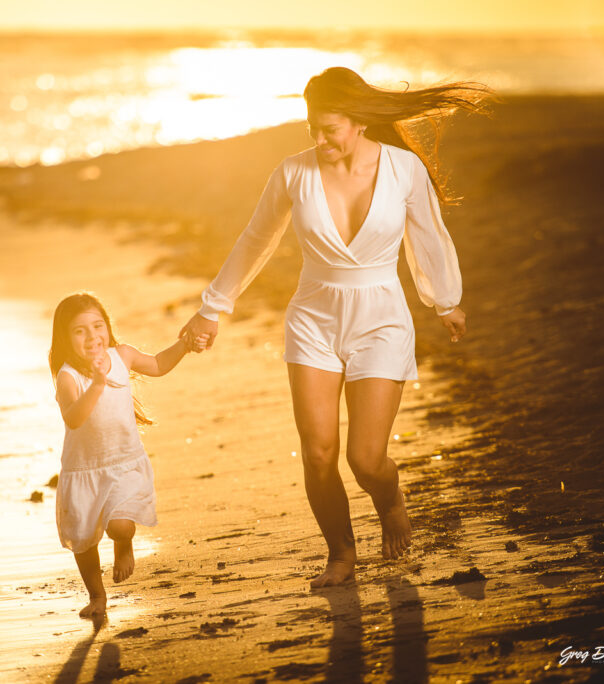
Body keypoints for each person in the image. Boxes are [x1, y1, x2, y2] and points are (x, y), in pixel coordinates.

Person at [179, 67, 491, 587]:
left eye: (330, 128)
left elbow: (429, 236)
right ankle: (341, 555)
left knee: (366, 460)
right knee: (319, 453)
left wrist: (445, 301)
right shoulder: (292, 173)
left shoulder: (402, 169)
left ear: (360, 121)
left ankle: (390, 499)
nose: (320, 139)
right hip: (313, 321)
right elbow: (255, 240)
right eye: (312, 129)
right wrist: (213, 307)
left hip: (381, 321)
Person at [50, 292, 206, 618]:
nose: (92, 336)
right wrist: (95, 384)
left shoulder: (122, 355)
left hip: (122, 464)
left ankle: (123, 543)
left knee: (120, 526)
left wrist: (185, 345)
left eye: (98, 326)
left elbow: (160, 364)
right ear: (65, 338)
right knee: (82, 539)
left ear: (107, 327)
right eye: (80, 331)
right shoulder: (68, 376)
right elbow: (74, 418)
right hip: (83, 470)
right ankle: (97, 596)